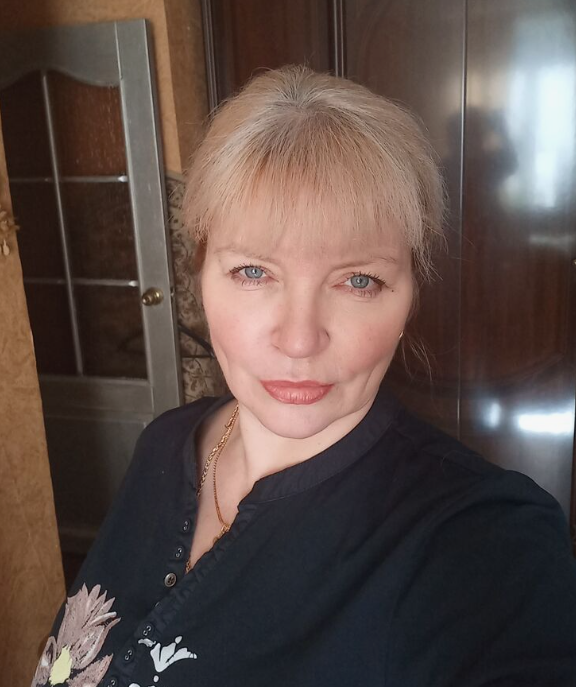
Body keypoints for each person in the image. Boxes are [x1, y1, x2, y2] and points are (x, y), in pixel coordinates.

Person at [33, 66, 576, 687]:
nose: (298, 340)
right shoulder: (165, 441)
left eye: (358, 281)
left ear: (409, 299)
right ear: (200, 275)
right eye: (254, 273)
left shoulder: (483, 541)